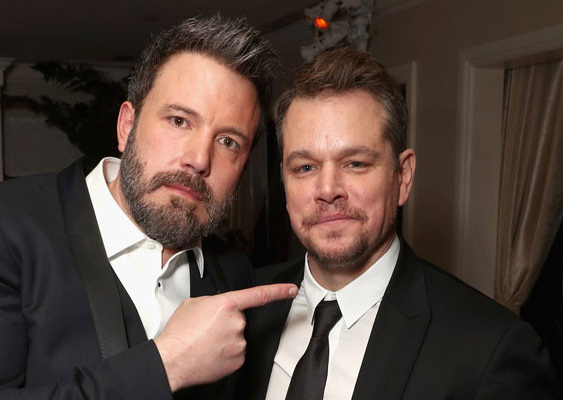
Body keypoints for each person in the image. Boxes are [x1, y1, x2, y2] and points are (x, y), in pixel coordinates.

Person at [0, 15, 297, 400]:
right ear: (126, 126)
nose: (200, 159)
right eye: (179, 120)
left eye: (229, 141)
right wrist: (167, 365)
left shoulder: (234, 274)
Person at [238, 47, 561, 399]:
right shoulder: (244, 309)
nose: (327, 190)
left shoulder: (491, 349)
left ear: (403, 177)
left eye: (356, 163)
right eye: (305, 167)